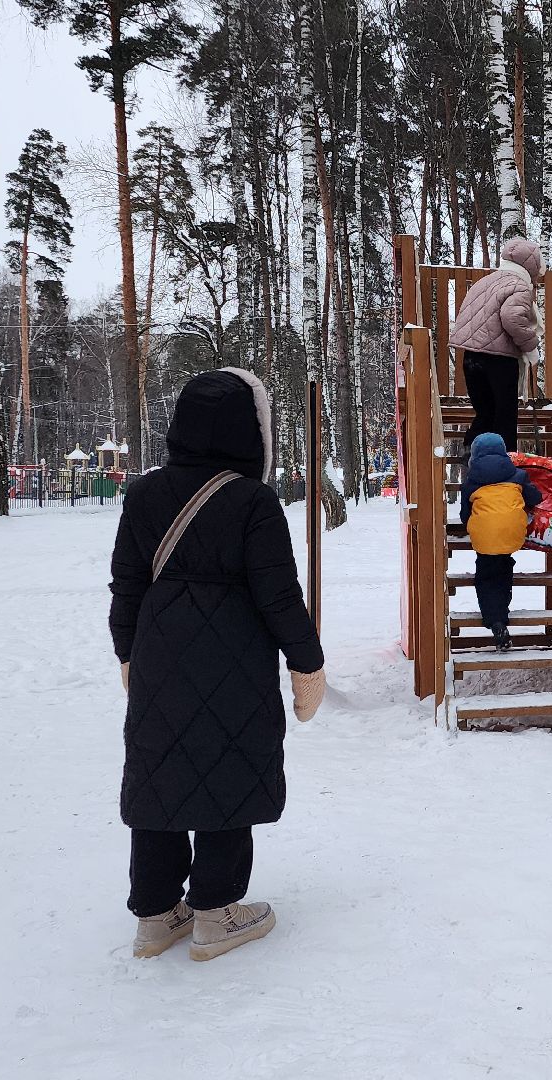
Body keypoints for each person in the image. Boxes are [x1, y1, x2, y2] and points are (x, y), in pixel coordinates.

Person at [108, 367, 327, 962]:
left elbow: (126, 585)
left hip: (157, 657)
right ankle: (215, 910)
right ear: (251, 431)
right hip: (235, 660)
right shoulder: (252, 501)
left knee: (160, 773)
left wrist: (127, 651)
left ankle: (155, 916)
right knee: (227, 770)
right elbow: (280, 595)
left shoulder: (145, 494)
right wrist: (307, 665)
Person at [446, 237, 543, 450]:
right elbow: (512, 318)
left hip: (471, 357)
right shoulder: (518, 285)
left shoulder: (485, 282)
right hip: (499, 360)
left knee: (485, 413)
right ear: (530, 266)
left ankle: (472, 459)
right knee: (504, 417)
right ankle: (505, 466)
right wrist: (530, 346)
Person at [460, 432, 543, 650]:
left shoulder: (470, 481)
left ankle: (495, 621)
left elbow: (464, 515)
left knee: (486, 578)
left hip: (484, 537)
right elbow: (535, 498)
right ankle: (502, 613)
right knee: (503, 568)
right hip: (512, 534)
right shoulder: (517, 475)